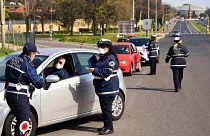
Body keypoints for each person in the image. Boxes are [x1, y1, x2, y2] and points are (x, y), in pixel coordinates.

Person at [4, 42, 45, 136]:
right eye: (34, 54)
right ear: (31, 53)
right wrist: (43, 80)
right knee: (24, 123)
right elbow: (38, 83)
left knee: (19, 120)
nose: (34, 56)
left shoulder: (11, 60)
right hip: (19, 96)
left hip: (9, 94)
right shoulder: (27, 65)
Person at [88, 39, 119, 135]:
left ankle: (109, 128)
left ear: (108, 48)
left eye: (103, 47)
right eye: (100, 47)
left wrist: (94, 70)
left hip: (108, 88)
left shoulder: (110, 58)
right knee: (104, 109)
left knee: (106, 109)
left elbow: (107, 73)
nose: (101, 49)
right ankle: (106, 126)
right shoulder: (103, 57)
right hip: (102, 88)